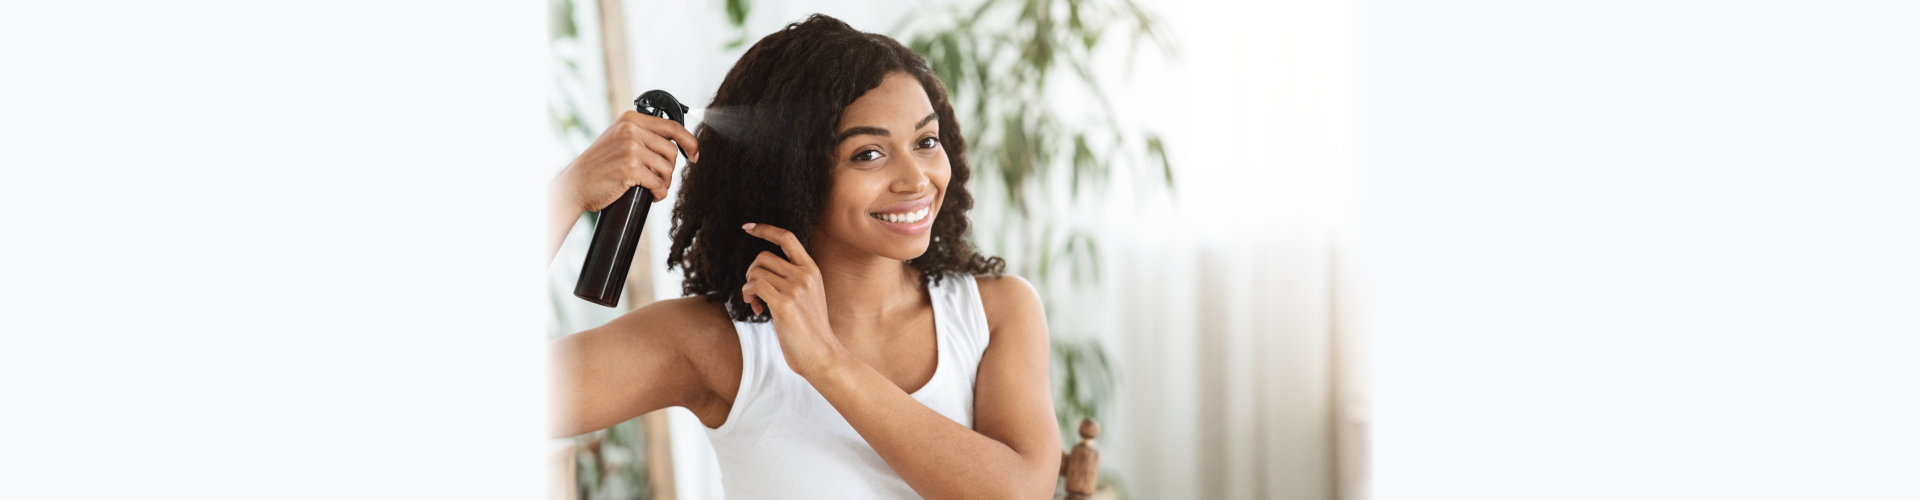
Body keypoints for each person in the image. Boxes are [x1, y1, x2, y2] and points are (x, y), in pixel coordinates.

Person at [546, 14, 1060, 499]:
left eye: (926, 141)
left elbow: (1020, 492)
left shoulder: (995, 311)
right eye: (868, 154)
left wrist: (826, 363)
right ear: (792, 173)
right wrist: (567, 194)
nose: (916, 179)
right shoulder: (715, 343)